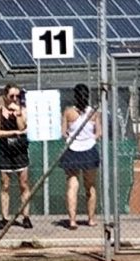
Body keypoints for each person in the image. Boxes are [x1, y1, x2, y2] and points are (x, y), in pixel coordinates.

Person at [57, 84, 102, 231]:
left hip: (72, 150)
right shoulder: (94, 113)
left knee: (72, 186)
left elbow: (63, 133)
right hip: (89, 150)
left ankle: (72, 220)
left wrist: (73, 138)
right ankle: (91, 219)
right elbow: (98, 133)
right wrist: (90, 139)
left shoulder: (68, 112)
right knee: (90, 186)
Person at [0, 86, 31, 230]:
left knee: (23, 184)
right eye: (12, 96)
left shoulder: (22, 111)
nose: (15, 99)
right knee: (5, 185)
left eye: (17, 96)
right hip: (5, 152)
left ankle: (26, 216)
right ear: (5, 96)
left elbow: (23, 127)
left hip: (20, 151)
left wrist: (18, 114)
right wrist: (13, 132)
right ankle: (5, 218)